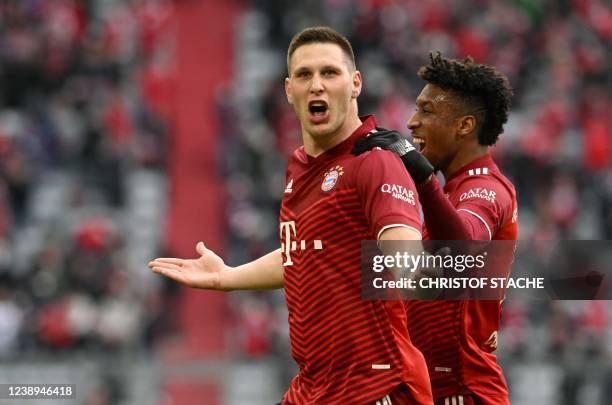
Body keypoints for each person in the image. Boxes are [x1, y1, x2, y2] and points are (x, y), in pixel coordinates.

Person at [149, 26, 433, 404]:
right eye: (304, 75)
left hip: (377, 388)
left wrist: (406, 256)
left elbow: (407, 262)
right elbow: (304, 254)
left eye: (330, 73)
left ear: (355, 84)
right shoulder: (299, 170)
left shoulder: (375, 162)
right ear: (288, 90)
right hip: (314, 388)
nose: (317, 85)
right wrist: (228, 277)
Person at [353, 53, 518, 405]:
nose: (412, 123)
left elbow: (463, 248)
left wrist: (421, 174)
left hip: (465, 390)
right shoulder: (446, 197)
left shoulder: (487, 188)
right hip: (428, 390)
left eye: (427, 111)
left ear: (464, 126)